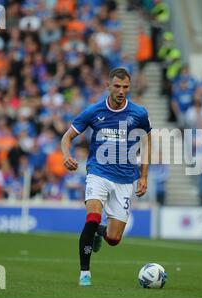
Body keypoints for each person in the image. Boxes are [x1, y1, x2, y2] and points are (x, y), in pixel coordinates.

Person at [61, 68, 152, 286]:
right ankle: (85, 273)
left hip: (125, 179)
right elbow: (67, 136)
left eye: (125, 87)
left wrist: (144, 176)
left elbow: (147, 143)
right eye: (117, 86)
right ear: (108, 86)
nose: (121, 91)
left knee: (114, 239)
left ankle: (100, 233)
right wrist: (66, 155)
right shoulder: (94, 111)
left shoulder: (139, 113)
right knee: (92, 216)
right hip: (98, 173)